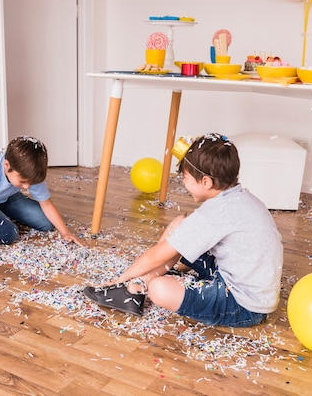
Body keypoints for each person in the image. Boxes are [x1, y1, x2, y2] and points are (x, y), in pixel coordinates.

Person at [84, 133, 283, 327]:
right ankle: (137, 287)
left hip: (244, 306)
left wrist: (120, 279)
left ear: (206, 182)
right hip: (247, 282)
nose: (183, 183)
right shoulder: (240, 197)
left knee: (159, 289)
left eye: (186, 178)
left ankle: (131, 287)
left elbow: (157, 255)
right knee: (181, 224)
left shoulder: (214, 214)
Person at [0, 136, 85, 272]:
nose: (26, 187)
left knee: (46, 223)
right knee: (8, 233)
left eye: (30, 183)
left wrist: (66, 232)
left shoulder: (30, 172)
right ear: (7, 165)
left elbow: (46, 204)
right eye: (22, 182)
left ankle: (1, 213)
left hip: (7, 197)